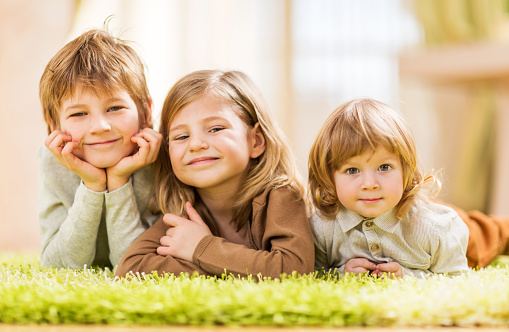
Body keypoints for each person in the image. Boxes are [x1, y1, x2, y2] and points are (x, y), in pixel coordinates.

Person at [115, 70, 314, 278]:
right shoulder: (183, 204)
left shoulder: (281, 194)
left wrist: (202, 248)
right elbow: (130, 267)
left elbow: (294, 270)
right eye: (181, 136)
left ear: (255, 141)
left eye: (215, 129)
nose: (196, 144)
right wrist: (226, 267)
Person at [38, 29, 162, 269]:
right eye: (79, 113)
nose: (100, 127)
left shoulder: (161, 158)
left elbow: (136, 267)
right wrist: (92, 186)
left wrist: (119, 182)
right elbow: (58, 267)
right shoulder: (51, 162)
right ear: (54, 124)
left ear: (145, 113)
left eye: (115, 108)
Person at [308, 98, 470, 278]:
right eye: (352, 170)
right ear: (329, 177)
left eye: (384, 167)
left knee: (489, 236)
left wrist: (408, 277)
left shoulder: (438, 228)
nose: (370, 184)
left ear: (405, 169)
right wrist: (340, 274)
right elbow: (308, 276)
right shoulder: (321, 228)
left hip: (437, 214)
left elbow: (457, 281)